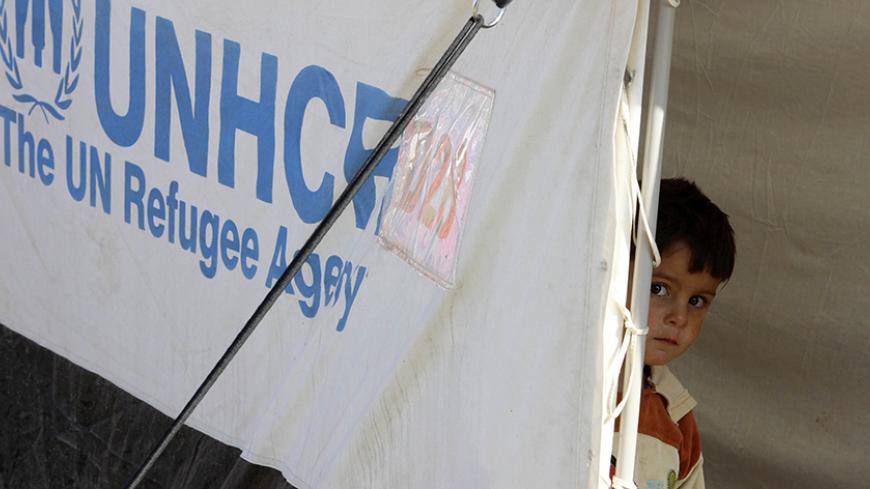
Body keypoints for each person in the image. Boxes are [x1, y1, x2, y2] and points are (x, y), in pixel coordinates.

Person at [626, 178, 736, 489]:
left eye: (696, 301)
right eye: (658, 288)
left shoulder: (677, 418)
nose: (679, 317)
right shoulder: (563, 382)